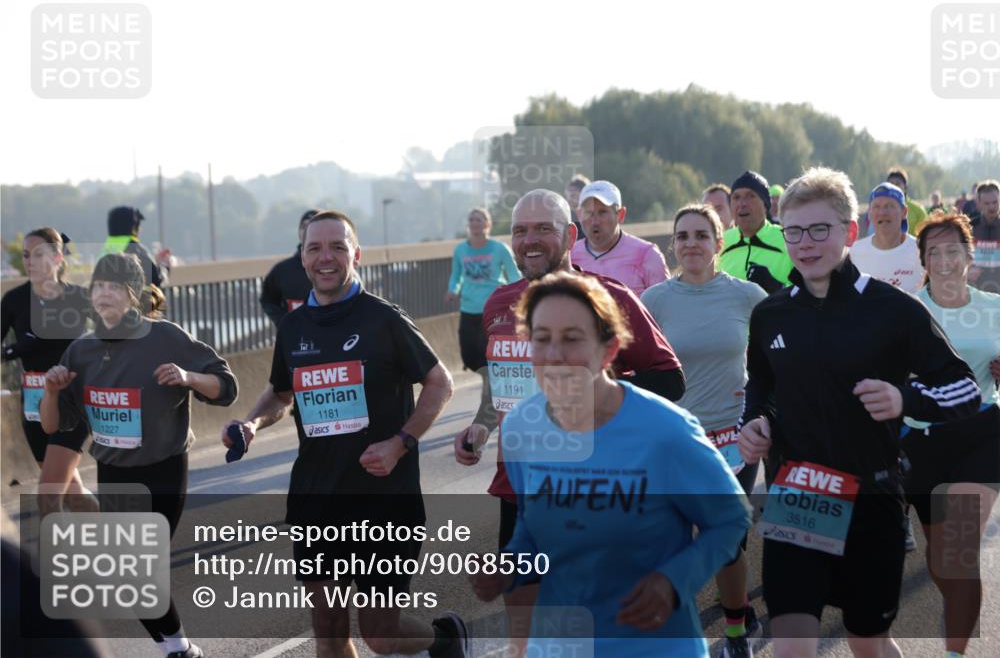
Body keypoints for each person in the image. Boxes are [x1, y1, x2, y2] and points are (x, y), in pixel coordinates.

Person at [738, 167, 981, 658]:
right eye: (794, 232)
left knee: (868, 643)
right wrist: (756, 422)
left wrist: (904, 400)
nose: (805, 243)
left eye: (820, 229)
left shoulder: (896, 310)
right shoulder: (771, 314)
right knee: (791, 646)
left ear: (851, 232)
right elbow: (761, 384)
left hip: (872, 496)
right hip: (800, 492)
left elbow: (965, 390)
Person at [222, 211, 467, 658]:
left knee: (380, 635)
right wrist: (251, 423)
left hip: (384, 500)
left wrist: (400, 443)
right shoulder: (293, 328)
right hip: (317, 497)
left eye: (337, 246)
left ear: (356, 253)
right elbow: (280, 393)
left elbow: (440, 383)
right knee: (329, 627)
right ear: (302, 259)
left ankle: (445, 638)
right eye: (315, 248)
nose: (326, 257)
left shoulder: (384, 319)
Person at [470, 271, 751, 657]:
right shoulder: (521, 427)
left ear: (609, 349)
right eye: (541, 339)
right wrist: (510, 564)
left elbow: (732, 518)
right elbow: (534, 527)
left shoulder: (664, 430)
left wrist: (673, 581)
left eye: (572, 339)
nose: (553, 355)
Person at [453, 189, 683, 657]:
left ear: (569, 236)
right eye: (520, 230)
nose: (530, 240)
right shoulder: (498, 304)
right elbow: (504, 384)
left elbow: (670, 379)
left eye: (543, 229)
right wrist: (480, 428)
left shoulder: (608, 298)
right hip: (517, 488)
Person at [40, 252, 239, 658]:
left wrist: (188, 377)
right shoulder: (81, 351)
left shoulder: (164, 337)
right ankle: (178, 647)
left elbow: (227, 385)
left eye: (114, 287)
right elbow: (51, 426)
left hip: (163, 470)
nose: (104, 294)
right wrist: (51, 392)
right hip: (113, 471)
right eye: (98, 286)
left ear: (133, 295)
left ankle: (178, 648)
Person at [640, 204, 768, 658]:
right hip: (674, 437)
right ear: (673, 244)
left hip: (732, 437)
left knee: (725, 536)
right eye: (683, 236)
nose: (691, 243)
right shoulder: (653, 300)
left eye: (701, 235)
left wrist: (759, 400)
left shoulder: (748, 296)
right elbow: (638, 367)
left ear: (719, 241)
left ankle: (736, 630)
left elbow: (777, 355)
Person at [902, 212, 1000, 658]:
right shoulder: (905, 310)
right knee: (941, 561)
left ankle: (953, 653)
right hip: (922, 439)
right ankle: (958, 615)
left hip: (983, 431)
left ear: (969, 254)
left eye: (952, 251)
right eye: (933, 252)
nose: (943, 261)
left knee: (958, 551)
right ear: (923, 259)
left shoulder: (994, 308)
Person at [1, 228, 95, 509]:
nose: (29, 261)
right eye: (26, 255)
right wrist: (14, 350)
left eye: (38, 254)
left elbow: (113, 338)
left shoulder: (79, 297)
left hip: (71, 400)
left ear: (56, 258)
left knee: (48, 495)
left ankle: (55, 554)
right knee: (73, 494)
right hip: (33, 403)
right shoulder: (14, 300)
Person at [445, 207, 520, 373]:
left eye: (479, 219)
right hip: (468, 307)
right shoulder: (460, 250)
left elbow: (514, 274)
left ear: (487, 224)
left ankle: (489, 384)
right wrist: (452, 290)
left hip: (493, 308)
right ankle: (486, 379)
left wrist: (518, 293)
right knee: (468, 354)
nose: (474, 223)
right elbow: (456, 276)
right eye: (471, 220)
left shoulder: (500, 248)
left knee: (487, 351)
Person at [570, 180, 669, 296]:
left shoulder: (647, 255)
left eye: (602, 212)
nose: (595, 221)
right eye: (589, 213)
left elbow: (665, 307)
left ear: (620, 215)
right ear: (579, 215)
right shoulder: (568, 256)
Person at [718, 171, 794, 294]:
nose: (742, 204)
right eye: (736, 197)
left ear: (765, 204)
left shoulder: (788, 239)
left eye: (750, 196)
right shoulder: (721, 243)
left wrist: (778, 288)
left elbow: (808, 295)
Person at [849, 182, 923, 293]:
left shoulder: (921, 251)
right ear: (869, 213)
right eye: (876, 206)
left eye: (890, 206)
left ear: (904, 212)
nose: (882, 212)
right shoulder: (854, 253)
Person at [260, 209, 318, 326]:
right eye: (304, 226)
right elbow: (267, 299)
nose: (307, 230)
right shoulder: (282, 270)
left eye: (314, 226)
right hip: (295, 338)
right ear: (298, 231)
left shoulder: (337, 268)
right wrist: (284, 321)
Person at [100, 206, 171, 287]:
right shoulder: (136, 249)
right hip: (134, 299)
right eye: (138, 225)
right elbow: (155, 280)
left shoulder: (105, 249)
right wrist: (164, 266)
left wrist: (155, 262)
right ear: (133, 227)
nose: (141, 229)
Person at [969, 179, 1000, 293]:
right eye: (987, 203)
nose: (992, 207)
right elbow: (959, 258)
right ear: (979, 203)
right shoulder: (970, 227)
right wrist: (967, 271)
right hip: (977, 290)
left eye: (995, 202)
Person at [886, 167, 927, 234]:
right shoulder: (880, 210)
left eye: (897, 184)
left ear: (905, 187)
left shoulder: (918, 210)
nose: (893, 187)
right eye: (891, 184)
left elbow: (924, 237)